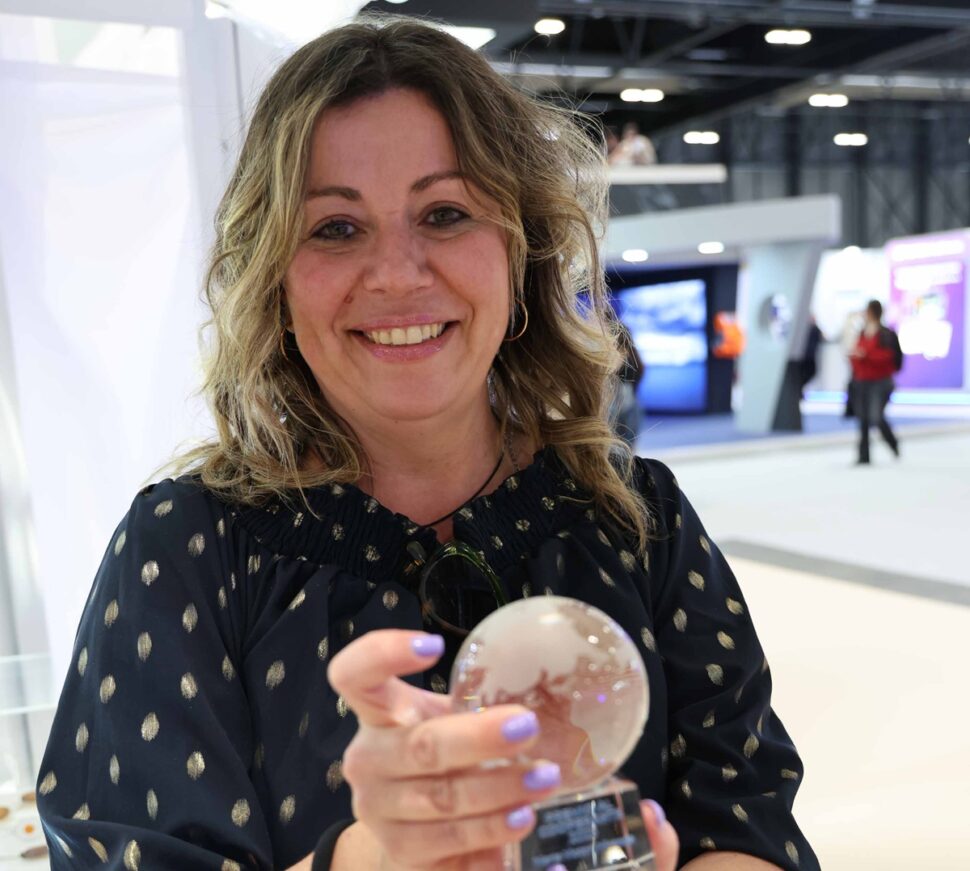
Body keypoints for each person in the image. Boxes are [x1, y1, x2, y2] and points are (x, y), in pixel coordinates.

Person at [36, 18, 818, 871]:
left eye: (445, 214)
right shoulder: (185, 551)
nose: (398, 273)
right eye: (336, 228)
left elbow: (749, 829)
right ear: (276, 277)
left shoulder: (637, 519)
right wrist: (371, 859)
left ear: (519, 250)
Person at [849, 299, 901, 465]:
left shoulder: (886, 334)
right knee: (863, 419)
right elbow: (856, 354)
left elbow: (888, 358)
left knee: (876, 416)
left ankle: (893, 442)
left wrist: (867, 356)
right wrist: (856, 357)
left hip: (880, 382)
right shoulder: (863, 333)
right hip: (862, 380)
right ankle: (864, 455)